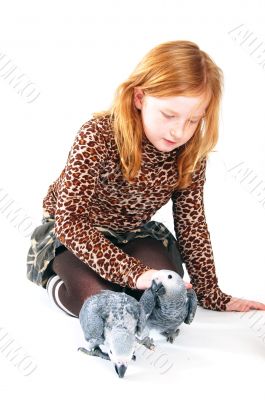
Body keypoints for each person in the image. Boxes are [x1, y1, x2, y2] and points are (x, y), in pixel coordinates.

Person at [26, 40, 265, 318]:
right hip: (76, 235)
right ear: (140, 98)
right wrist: (134, 272)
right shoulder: (97, 136)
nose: (178, 132)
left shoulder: (189, 152)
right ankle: (61, 282)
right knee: (97, 299)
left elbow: (192, 223)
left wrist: (210, 292)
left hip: (132, 234)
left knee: (167, 292)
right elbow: (71, 222)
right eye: (169, 115)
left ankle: (125, 289)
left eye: (192, 121)